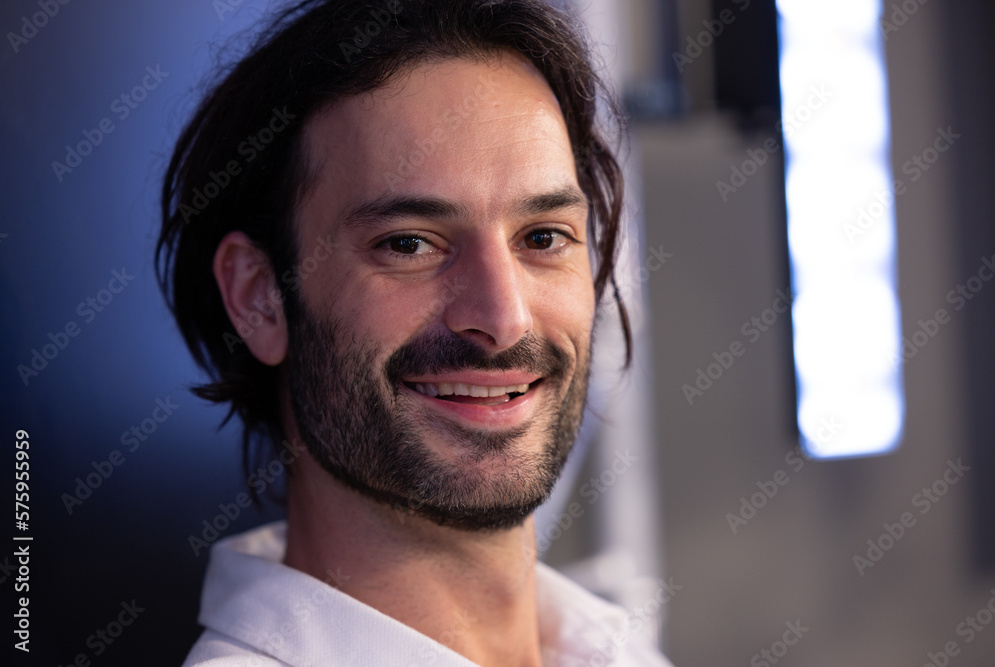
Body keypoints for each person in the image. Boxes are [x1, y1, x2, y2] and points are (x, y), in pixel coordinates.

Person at [157, 0, 673, 665]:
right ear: (259, 298)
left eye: (543, 237)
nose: (502, 316)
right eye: (408, 244)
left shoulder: (610, 650)